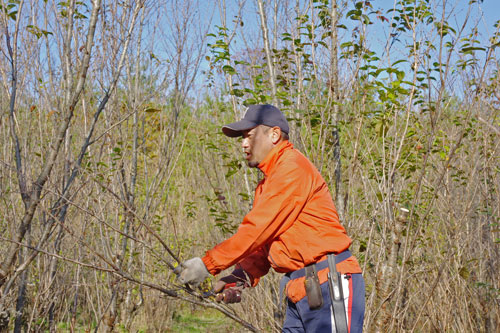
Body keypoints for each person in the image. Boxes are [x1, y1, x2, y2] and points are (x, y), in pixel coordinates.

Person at [175, 104, 365, 332]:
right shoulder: (268, 183)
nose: (243, 143)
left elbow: (256, 230)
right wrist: (236, 278)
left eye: (249, 135)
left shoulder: (291, 169)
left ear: (274, 134)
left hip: (328, 284)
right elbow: (264, 247)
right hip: (301, 288)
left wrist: (208, 264)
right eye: (241, 138)